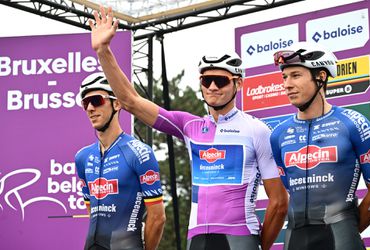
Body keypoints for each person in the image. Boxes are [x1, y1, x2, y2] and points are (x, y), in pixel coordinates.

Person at [87, 6, 288, 250]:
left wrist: (259, 247)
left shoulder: (257, 130)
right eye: (206, 80)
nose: (212, 86)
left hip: (240, 238)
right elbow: (130, 102)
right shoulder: (190, 126)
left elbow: (278, 203)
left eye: (221, 80)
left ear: (239, 84)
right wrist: (103, 51)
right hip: (197, 239)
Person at [270, 41, 370, 250]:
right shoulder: (278, 135)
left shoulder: (353, 123)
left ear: (321, 76)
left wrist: (349, 229)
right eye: (284, 77)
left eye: (296, 75)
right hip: (295, 239)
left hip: (341, 237)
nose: (286, 84)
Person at [75, 72, 166, 250]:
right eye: (85, 103)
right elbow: (92, 212)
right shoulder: (82, 157)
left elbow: (157, 217)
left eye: (97, 100)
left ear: (117, 103)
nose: (90, 108)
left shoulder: (139, 153)